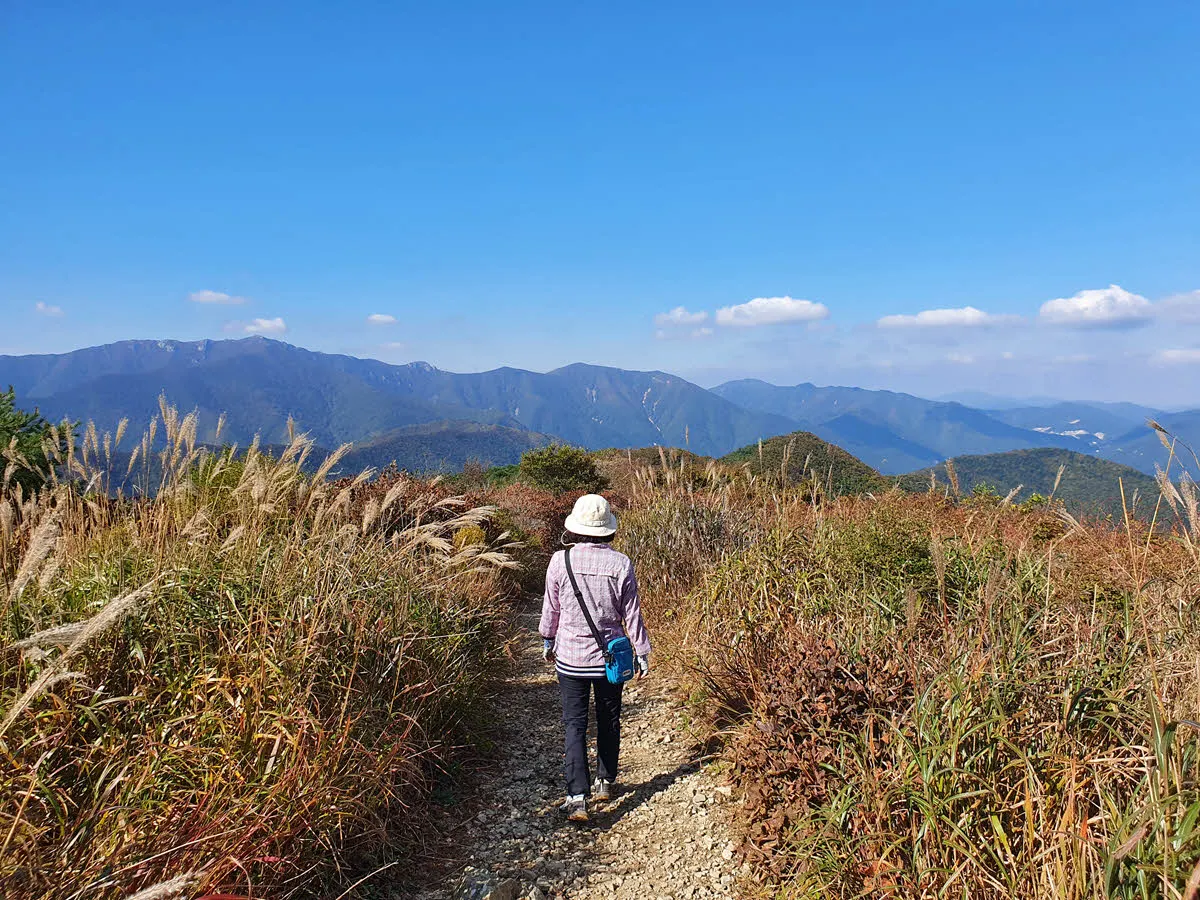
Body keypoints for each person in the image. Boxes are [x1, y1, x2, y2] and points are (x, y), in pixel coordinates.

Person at [539, 493, 651, 823]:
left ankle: (577, 798)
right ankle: (605, 780)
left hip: (571, 659)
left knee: (574, 724)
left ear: (577, 528)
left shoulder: (561, 561)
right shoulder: (621, 564)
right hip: (610, 662)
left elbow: (552, 609)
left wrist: (548, 639)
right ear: (608, 530)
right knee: (608, 718)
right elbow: (632, 616)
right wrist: (642, 653)